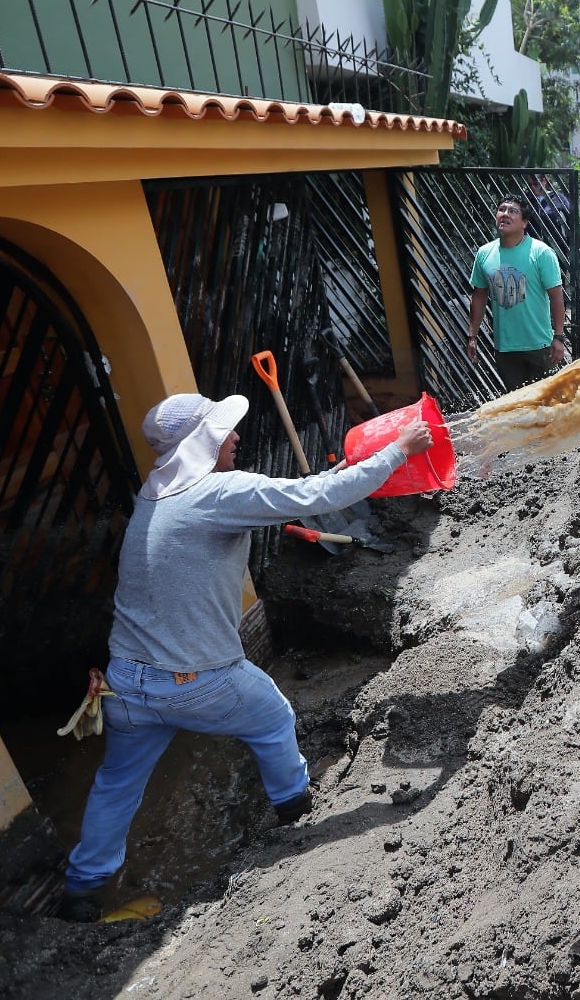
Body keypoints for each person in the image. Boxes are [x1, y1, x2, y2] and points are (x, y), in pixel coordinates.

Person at [59, 392, 432, 922]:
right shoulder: (218, 492)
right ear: (201, 443)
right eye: (223, 431)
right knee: (272, 714)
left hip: (123, 684)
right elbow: (317, 494)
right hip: (197, 680)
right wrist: (398, 449)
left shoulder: (152, 495)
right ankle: (295, 807)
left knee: (116, 784)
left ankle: (83, 889)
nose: (235, 437)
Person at [467, 194, 568, 392]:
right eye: (502, 209)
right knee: (518, 408)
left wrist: (558, 337)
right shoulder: (484, 254)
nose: (505, 214)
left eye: (513, 211)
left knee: (548, 403)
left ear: (525, 223)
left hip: (539, 346)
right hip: (505, 348)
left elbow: (556, 297)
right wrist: (472, 336)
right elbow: (479, 296)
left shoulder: (541, 253)